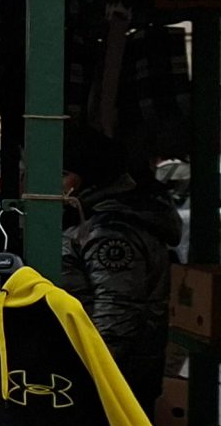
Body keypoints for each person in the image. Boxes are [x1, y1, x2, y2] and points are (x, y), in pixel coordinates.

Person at [62, 126, 184, 408]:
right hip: (112, 377)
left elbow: (116, 315)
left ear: (84, 178)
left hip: (112, 385)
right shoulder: (93, 220)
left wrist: (87, 376)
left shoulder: (110, 232)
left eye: (64, 174)